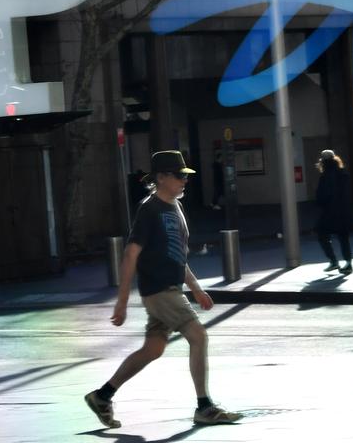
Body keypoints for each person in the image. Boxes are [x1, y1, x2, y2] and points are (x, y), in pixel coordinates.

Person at [84, 150, 243, 428]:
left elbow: (177, 256)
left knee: (153, 349)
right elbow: (131, 254)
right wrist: (121, 302)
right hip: (160, 291)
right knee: (198, 336)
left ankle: (102, 396)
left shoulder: (175, 207)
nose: (184, 180)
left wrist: (195, 288)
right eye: (179, 176)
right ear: (161, 178)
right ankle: (205, 407)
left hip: (170, 290)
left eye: (185, 176)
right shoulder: (150, 209)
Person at [314, 149, 353, 274]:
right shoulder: (343, 173)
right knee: (343, 237)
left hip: (330, 212)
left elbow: (322, 195)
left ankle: (333, 261)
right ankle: (348, 263)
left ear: (322, 161)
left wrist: (320, 203)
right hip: (344, 211)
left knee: (322, 234)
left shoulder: (325, 175)